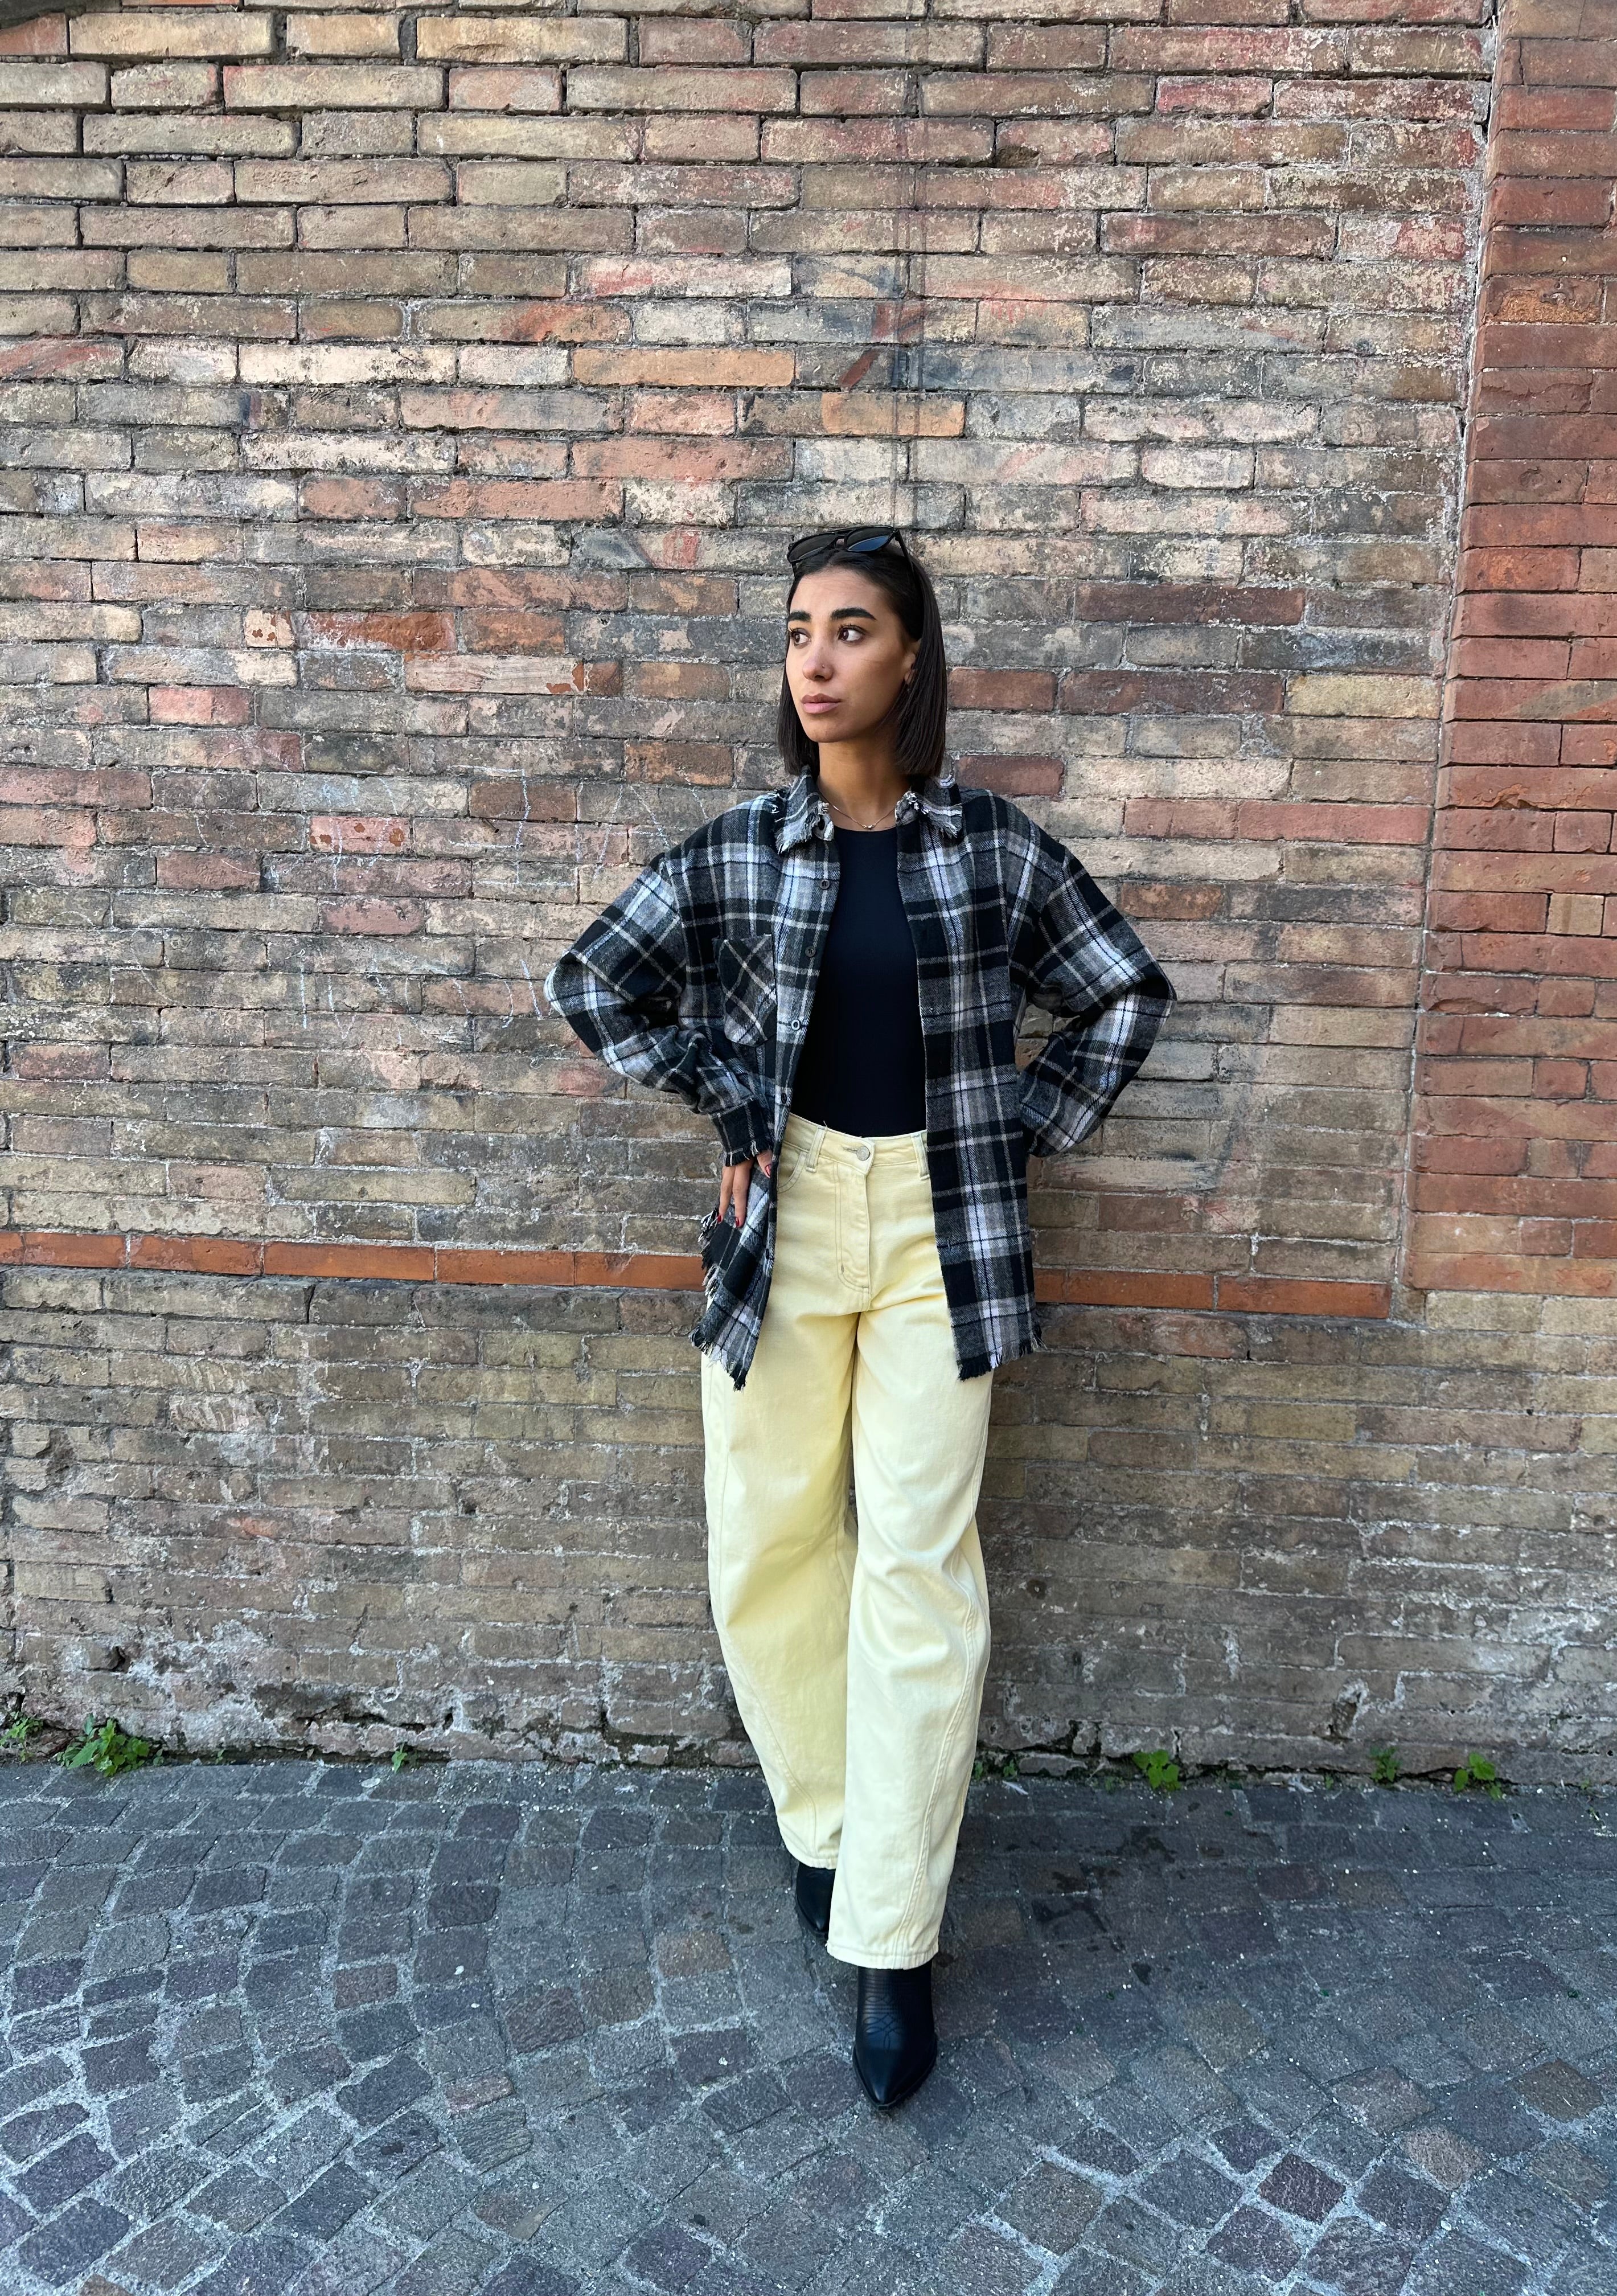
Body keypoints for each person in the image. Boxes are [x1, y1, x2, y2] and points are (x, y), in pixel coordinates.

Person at [547, 526, 1173, 2109]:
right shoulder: (744, 849)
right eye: (798, 633)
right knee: (766, 1543)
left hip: (942, 1232)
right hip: (790, 1214)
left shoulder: (993, 847)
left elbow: (1123, 990)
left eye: (851, 631)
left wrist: (1019, 1126)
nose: (816, 662)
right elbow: (592, 982)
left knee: (917, 1568)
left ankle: (894, 1937)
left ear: (913, 658)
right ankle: (830, 1828)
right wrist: (726, 1101)